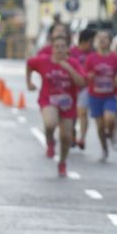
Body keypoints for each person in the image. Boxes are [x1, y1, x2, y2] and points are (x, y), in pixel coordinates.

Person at [26, 31, 84, 177]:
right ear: (52, 48)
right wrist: (29, 82)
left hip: (68, 104)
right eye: (56, 46)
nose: (59, 50)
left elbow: (82, 83)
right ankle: (50, 141)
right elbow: (29, 64)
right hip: (48, 99)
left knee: (66, 137)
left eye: (62, 47)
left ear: (67, 49)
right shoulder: (43, 61)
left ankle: (62, 162)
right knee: (50, 123)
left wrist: (68, 68)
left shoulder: (74, 63)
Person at [82, 29, 117, 162]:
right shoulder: (91, 58)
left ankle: (112, 135)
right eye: (99, 38)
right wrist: (89, 76)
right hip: (95, 96)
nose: (102, 40)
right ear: (96, 41)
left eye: (105, 38)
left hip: (110, 95)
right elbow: (85, 75)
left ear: (110, 41)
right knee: (100, 126)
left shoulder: (116, 58)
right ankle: (104, 149)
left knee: (110, 118)